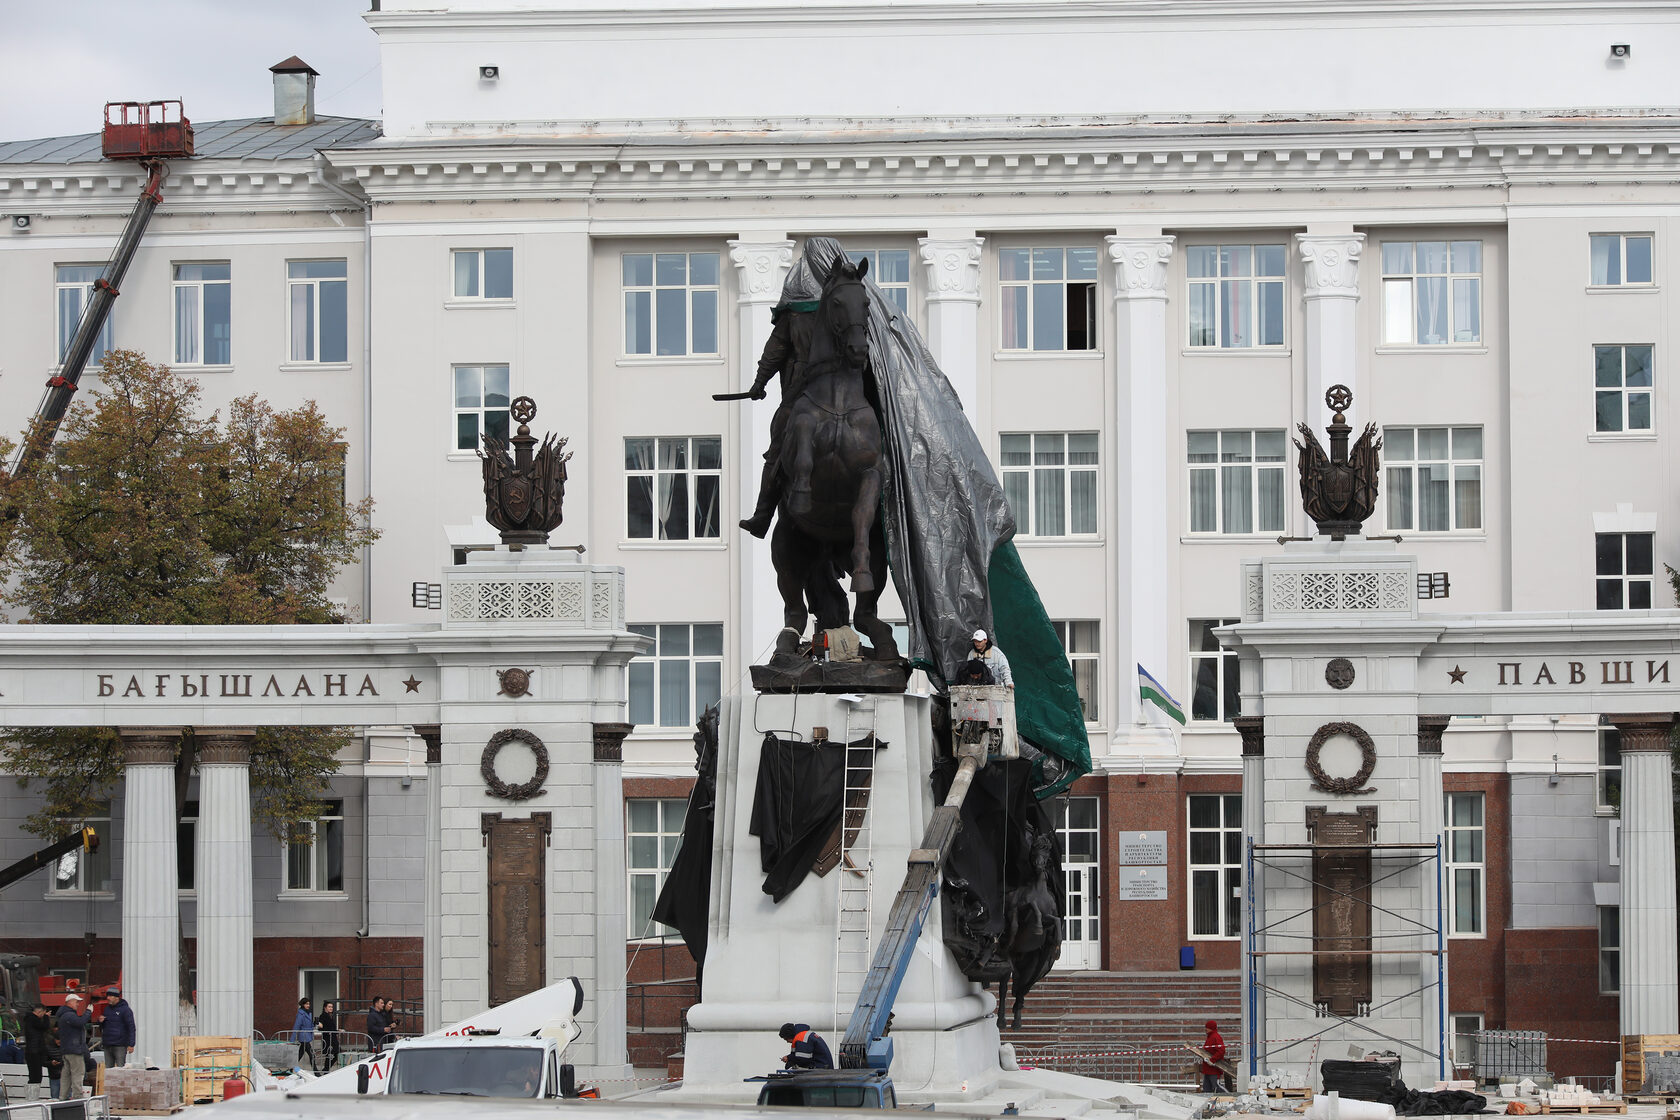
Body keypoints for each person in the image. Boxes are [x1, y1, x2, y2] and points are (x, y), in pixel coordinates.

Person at [739, 238, 849, 538]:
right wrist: (759, 383)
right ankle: (763, 513)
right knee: (780, 440)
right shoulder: (798, 309)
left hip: (838, 383)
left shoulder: (845, 298)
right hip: (802, 389)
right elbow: (776, 348)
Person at [55, 994, 91, 1101]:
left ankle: (63, 1096)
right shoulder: (69, 1015)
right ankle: (77, 1097)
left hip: (66, 1050)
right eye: (77, 1002)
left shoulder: (63, 1015)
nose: (78, 1004)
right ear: (70, 1002)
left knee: (66, 1074)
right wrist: (88, 1012)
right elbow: (80, 1022)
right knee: (78, 1073)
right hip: (74, 1050)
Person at [23, 1003, 54, 1100]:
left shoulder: (28, 1019)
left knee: (34, 1074)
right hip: (35, 1050)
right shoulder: (33, 1019)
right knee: (36, 1075)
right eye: (43, 1013)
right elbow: (44, 1026)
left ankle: (32, 1096)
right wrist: (46, 1018)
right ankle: (32, 1096)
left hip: (32, 1050)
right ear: (40, 1011)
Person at [101, 987, 135, 1071]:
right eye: (107, 996)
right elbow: (103, 1026)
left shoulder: (125, 1010)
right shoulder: (107, 1009)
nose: (107, 998)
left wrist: (131, 1044)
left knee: (121, 1068)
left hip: (120, 1044)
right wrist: (101, 1022)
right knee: (108, 1070)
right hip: (107, 1043)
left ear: (116, 997)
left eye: (110, 996)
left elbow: (131, 1027)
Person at [1199, 1019, 1227, 1094]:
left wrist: (1212, 1060)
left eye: (1207, 1027)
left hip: (1214, 1068)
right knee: (1206, 1088)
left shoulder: (1215, 1037)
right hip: (1208, 1068)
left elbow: (1221, 1051)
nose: (1205, 1029)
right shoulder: (1210, 1037)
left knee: (1216, 1086)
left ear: (1211, 1028)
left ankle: (1229, 1095)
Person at [293, 997, 316, 1072]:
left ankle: (290, 1068)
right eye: (306, 1004)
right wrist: (292, 1039)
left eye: (309, 1004)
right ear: (303, 1004)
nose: (308, 1005)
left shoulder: (308, 1013)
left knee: (300, 1054)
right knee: (311, 1054)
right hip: (304, 1036)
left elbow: (309, 1025)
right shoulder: (301, 1014)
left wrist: (314, 1024)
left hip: (307, 1036)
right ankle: (316, 1071)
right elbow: (297, 1025)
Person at [317, 1000, 340, 1072]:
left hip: (332, 1038)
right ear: (325, 1008)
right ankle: (326, 1069)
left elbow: (331, 1027)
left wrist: (337, 1031)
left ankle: (326, 1069)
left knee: (334, 1054)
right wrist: (332, 1031)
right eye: (329, 1007)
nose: (331, 1008)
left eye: (332, 1007)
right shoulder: (323, 1016)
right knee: (330, 1054)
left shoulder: (330, 1016)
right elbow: (321, 1028)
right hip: (328, 1039)